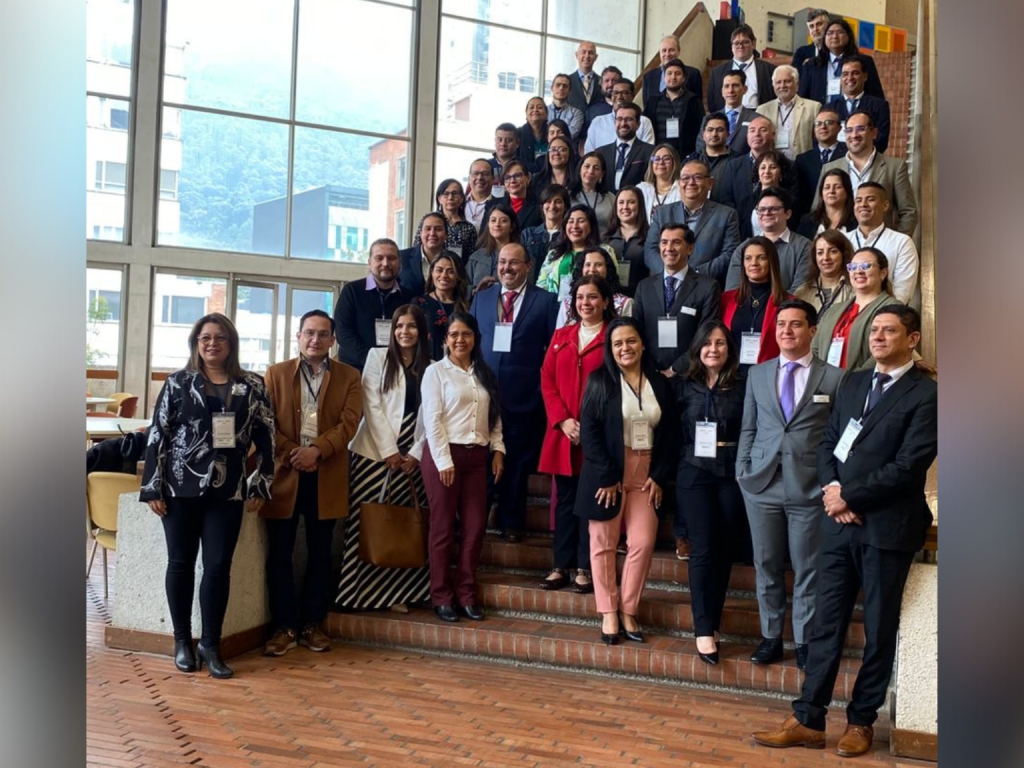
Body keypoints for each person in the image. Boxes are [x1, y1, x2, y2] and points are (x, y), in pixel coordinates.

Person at [752, 305, 936, 758]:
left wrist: (849, 497)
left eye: (889, 330)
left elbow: (908, 467)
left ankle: (861, 722)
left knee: (878, 628)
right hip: (837, 525)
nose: (877, 336)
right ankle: (808, 717)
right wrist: (834, 491)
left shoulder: (926, 394)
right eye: (874, 330)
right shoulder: (854, 383)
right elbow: (829, 442)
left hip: (886, 529)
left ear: (912, 339)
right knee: (823, 624)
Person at [140, 312, 275, 679]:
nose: (212, 343)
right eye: (205, 338)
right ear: (196, 344)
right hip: (179, 488)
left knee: (217, 567)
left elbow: (266, 438)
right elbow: (158, 436)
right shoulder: (178, 383)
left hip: (228, 490)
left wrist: (260, 484)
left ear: (231, 343)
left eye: (219, 338)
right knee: (180, 564)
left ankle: (211, 645)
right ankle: (182, 641)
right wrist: (152, 485)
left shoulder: (252, 385)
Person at [736, 299, 844, 670]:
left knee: (806, 567)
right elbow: (748, 427)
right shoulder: (758, 374)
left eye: (795, 324)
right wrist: (742, 471)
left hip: (809, 487)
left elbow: (839, 434)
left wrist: (833, 482)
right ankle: (770, 637)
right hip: (761, 484)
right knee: (765, 563)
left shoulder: (833, 377)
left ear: (812, 331)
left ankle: (803, 640)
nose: (786, 331)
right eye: (781, 324)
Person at [262, 310, 362, 656]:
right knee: (280, 554)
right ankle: (284, 626)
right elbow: (265, 423)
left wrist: (317, 451)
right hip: (285, 475)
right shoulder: (274, 375)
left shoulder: (350, 376)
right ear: (298, 336)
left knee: (321, 554)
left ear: (333, 340)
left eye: (322, 334)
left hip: (326, 474)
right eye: (309, 333)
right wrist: (294, 452)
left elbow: (350, 423)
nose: (315, 340)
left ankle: (311, 624)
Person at [574, 317, 680, 644]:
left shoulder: (660, 384)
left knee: (643, 543)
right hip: (607, 473)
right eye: (618, 343)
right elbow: (589, 433)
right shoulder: (599, 381)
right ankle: (608, 610)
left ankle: (629, 608)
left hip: (646, 472)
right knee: (603, 543)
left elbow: (672, 434)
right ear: (610, 348)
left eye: (631, 341)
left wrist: (660, 475)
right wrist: (606, 475)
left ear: (643, 343)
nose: (625, 348)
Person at [339, 305, 430, 613]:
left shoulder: (431, 365)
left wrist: (416, 453)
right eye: (400, 326)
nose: (405, 332)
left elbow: (433, 414)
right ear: (392, 330)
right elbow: (371, 404)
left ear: (422, 331)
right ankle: (357, 594)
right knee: (369, 520)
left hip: (412, 453)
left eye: (412, 326)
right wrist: (389, 450)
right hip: (375, 451)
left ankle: (396, 594)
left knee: (402, 522)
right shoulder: (377, 357)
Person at [419, 312, 505, 622]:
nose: (460, 340)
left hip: (477, 458)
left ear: (475, 339)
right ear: (445, 340)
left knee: (475, 527)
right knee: (442, 529)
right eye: (454, 334)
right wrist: (443, 460)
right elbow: (433, 420)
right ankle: (441, 595)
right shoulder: (435, 373)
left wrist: (497, 450)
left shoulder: (484, 373)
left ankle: (467, 594)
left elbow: (494, 416)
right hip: (445, 456)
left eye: (466, 334)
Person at [674, 320, 751, 664]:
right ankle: (703, 630)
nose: (713, 349)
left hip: (732, 471)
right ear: (697, 348)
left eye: (720, 343)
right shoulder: (684, 385)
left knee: (723, 550)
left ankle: (714, 622)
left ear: (729, 349)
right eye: (707, 344)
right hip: (694, 471)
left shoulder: (744, 384)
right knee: (703, 548)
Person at [470, 243, 559, 541]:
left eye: (514, 263)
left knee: (517, 464)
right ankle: (477, 520)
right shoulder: (481, 300)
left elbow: (552, 352)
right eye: (502, 262)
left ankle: (511, 522)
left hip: (525, 398)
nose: (507, 268)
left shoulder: (546, 302)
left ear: (528, 266)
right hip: (484, 396)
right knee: (482, 462)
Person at [537, 275, 614, 593]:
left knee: (588, 505)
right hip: (563, 434)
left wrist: (589, 426)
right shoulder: (561, 336)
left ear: (606, 302)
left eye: (593, 297)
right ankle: (561, 565)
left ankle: (585, 566)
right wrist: (563, 421)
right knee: (565, 503)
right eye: (581, 297)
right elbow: (547, 380)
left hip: (596, 437)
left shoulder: (613, 336)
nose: (586, 303)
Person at [634, 222, 722, 378]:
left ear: (690, 248)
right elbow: (636, 331)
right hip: (651, 374)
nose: (669, 248)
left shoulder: (708, 287)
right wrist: (650, 367)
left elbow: (706, 334)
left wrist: (676, 368)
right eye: (664, 242)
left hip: (691, 375)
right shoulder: (644, 287)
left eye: (676, 242)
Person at [645, 157, 741, 286]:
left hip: (706, 286)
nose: (691, 182)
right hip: (665, 285)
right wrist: (672, 274)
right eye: (685, 178)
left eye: (698, 177)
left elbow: (730, 254)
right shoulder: (662, 213)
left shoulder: (727, 215)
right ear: (679, 183)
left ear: (710, 183)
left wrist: (692, 274)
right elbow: (650, 250)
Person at [818, 111, 918, 235]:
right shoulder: (829, 168)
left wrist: (896, 244)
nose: (854, 135)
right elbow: (817, 210)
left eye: (860, 129)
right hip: (839, 246)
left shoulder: (895, 167)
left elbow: (909, 212)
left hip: (880, 246)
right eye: (849, 130)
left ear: (874, 133)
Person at [813, 246, 899, 371]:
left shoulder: (894, 309)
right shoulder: (834, 309)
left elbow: (885, 353)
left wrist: (856, 381)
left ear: (883, 273)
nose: (858, 271)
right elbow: (815, 347)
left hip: (863, 385)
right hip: (825, 384)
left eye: (866, 266)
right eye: (852, 267)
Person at [334, 238, 411, 373]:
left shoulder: (408, 297)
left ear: (399, 263)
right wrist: (372, 360)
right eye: (379, 258)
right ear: (369, 263)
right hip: (355, 370)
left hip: (396, 370)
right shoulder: (352, 291)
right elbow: (343, 332)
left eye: (391, 258)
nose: (386, 263)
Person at [725, 188, 812, 293]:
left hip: (787, 308)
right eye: (761, 209)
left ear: (788, 214)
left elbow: (800, 292)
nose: (766, 213)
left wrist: (767, 306)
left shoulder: (804, 247)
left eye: (773, 209)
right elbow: (732, 292)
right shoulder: (743, 248)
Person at [722, 237, 793, 366]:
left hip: (768, 375)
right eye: (748, 258)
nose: (754, 263)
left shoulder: (789, 303)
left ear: (771, 262)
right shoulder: (726, 300)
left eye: (761, 258)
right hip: (730, 376)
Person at [845, 181, 919, 304]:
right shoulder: (843, 239)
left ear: (885, 206)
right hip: (844, 316)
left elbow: (901, 295)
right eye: (858, 200)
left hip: (882, 317)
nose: (863, 205)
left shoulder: (901, 242)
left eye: (870, 199)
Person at [537, 204, 615, 300]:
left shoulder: (605, 250)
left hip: (590, 307)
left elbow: (612, 282)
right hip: (555, 309)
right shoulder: (554, 253)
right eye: (570, 221)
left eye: (581, 221)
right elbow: (541, 284)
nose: (575, 226)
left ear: (591, 225)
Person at [799, 17, 885, 105]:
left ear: (849, 36)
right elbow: (803, 100)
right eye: (830, 33)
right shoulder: (811, 65)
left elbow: (876, 97)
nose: (834, 36)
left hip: (856, 115)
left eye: (840, 32)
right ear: (825, 38)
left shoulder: (865, 61)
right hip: (820, 116)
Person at [716, 115, 777, 237]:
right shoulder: (734, 165)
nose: (757, 134)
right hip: (741, 232)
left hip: (775, 229)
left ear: (773, 135)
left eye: (763, 130)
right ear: (747, 136)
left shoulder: (785, 164)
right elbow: (726, 201)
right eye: (752, 130)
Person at [792, 106, 846, 224]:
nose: (823, 127)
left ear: (839, 128)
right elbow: (799, 195)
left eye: (828, 123)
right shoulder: (803, 159)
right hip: (811, 220)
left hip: (842, 217)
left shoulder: (848, 154)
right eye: (818, 123)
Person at [643, 58, 705, 159]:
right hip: (658, 157)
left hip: (685, 157)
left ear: (684, 78)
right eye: (669, 73)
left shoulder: (693, 101)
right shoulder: (653, 101)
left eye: (677, 73)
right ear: (664, 77)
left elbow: (701, 129)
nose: (673, 77)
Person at [557, 245, 633, 326]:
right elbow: (559, 335)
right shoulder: (567, 303)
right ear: (581, 269)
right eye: (588, 265)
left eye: (598, 265)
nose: (592, 269)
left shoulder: (624, 303)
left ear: (608, 269)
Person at [755, 65, 820, 160]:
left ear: (797, 84)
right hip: (772, 166)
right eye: (778, 82)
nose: (782, 86)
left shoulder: (813, 108)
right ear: (773, 85)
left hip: (802, 165)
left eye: (787, 81)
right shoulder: (762, 110)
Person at [707, 25, 777, 113]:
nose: (741, 46)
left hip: (759, 117)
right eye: (736, 43)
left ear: (753, 44)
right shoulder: (716, 73)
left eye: (745, 42)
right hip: (728, 118)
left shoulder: (770, 70)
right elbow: (712, 104)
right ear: (732, 47)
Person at [415, 252, 471, 360]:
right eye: (439, 270)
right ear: (432, 272)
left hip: (458, 366)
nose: (444, 275)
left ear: (458, 276)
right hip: (426, 366)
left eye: (451, 271)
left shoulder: (467, 306)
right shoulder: (419, 303)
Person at [833, 55, 890, 154]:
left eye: (855, 73)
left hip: (868, 163)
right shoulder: (830, 108)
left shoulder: (879, 106)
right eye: (845, 74)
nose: (850, 78)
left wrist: (858, 154)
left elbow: (882, 141)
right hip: (836, 164)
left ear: (865, 76)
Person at [596, 103, 655, 193]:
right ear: (615, 122)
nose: (623, 123)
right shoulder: (601, 152)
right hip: (606, 202)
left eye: (629, 119)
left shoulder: (650, 151)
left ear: (638, 124)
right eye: (619, 119)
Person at [585, 78, 656, 153]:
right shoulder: (598, 122)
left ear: (632, 95)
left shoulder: (643, 122)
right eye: (615, 93)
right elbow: (589, 153)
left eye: (624, 93)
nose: (619, 97)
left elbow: (648, 152)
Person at [603, 186, 650, 296]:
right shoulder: (606, 238)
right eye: (621, 202)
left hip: (640, 296)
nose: (625, 207)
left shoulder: (650, 237)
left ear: (640, 206)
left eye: (631, 202)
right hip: (611, 298)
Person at [794, 229, 854, 315]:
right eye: (820, 253)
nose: (825, 257)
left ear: (844, 254)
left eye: (833, 251)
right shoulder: (802, 292)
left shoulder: (855, 290)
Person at [400, 212, 459, 297]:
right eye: (428, 229)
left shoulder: (454, 260)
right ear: (420, 233)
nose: (432, 234)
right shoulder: (402, 257)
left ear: (446, 235)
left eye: (438, 229)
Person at [466, 202, 521, 291]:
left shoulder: (522, 257)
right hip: (478, 303)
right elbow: (463, 287)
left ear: (512, 227)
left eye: (503, 221)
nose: (497, 225)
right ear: (488, 225)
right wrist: (475, 290)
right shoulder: (476, 257)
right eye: (493, 220)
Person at [703, 71, 760, 155]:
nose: (730, 90)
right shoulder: (709, 119)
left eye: (735, 85)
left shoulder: (756, 119)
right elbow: (701, 146)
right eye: (726, 86)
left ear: (745, 89)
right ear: (722, 91)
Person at [521, 183, 569, 281]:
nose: (552, 206)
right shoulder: (528, 234)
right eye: (548, 201)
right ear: (542, 206)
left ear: (565, 207)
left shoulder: (569, 235)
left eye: (558, 201)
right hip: (530, 289)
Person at [641, 34, 704, 107]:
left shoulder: (693, 74)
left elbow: (697, 104)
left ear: (678, 51)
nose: (667, 54)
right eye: (664, 50)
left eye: (671, 50)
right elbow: (646, 105)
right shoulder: (648, 77)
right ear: (660, 53)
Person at [797, 161, 854, 238]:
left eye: (837, 187)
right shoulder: (808, 221)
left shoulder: (856, 221)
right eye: (827, 187)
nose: (831, 191)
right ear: (821, 193)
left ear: (847, 191)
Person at [429, 178, 480, 262]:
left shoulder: (469, 228)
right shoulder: (429, 222)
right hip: (432, 271)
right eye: (446, 194)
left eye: (455, 194)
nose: (450, 197)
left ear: (461, 199)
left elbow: (472, 259)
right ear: (439, 199)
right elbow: (417, 250)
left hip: (459, 273)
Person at [484, 158, 542, 231]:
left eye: (517, 176)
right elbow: (483, 237)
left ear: (528, 178)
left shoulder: (540, 206)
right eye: (507, 177)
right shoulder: (492, 205)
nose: (512, 181)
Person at [750, 151, 797, 236]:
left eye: (773, 167)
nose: (767, 171)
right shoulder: (749, 200)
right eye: (763, 167)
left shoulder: (790, 201)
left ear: (781, 173)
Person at [688, 113, 737, 189]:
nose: (714, 134)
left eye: (720, 130)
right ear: (703, 134)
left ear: (728, 134)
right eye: (710, 130)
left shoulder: (738, 160)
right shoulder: (692, 159)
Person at [636, 143, 681, 224]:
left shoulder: (682, 188)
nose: (661, 162)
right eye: (656, 159)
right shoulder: (642, 189)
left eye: (666, 159)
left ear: (674, 163)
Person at [570, 151, 614, 231]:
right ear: (580, 169)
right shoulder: (568, 195)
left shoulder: (610, 198)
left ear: (602, 173)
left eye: (596, 168)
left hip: (604, 242)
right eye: (587, 166)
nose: (590, 171)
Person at [567, 40, 603, 114]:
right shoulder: (567, 81)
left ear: (596, 57)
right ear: (577, 55)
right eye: (583, 52)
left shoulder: (603, 82)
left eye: (591, 53)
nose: (587, 56)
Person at [790, 8, 830, 73]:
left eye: (819, 24)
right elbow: (794, 78)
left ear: (828, 26)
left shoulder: (836, 50)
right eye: (811, 26)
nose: (815, 29)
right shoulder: (801, 53)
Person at [547, 73, 585, 140]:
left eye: (565, 86)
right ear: (551, 88)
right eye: (558, 85)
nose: (561, 88)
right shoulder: (544, 111)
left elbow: (570, 135)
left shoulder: (576, 113)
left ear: (569, 91)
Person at [518, 97, 549, 170]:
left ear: (546, 114)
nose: (535, 110)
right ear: (526, 113)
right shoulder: (517, 134)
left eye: (539, 107)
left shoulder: (553, 133)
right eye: (531, 107)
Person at [466, 159, 496, 229]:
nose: (479, 177)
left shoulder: (500, 205)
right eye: (475, 173)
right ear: (469, 179)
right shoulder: (459, 203)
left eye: (485, 174)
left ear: (493, 179)